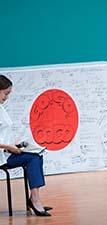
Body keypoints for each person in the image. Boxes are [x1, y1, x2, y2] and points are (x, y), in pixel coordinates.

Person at [0, 74, 52, 216]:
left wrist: (15, 143)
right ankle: (34, 200)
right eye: (6, 93)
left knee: (37, 154)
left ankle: (34, 199)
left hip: (5, 152)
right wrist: (9, 147)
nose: (7, 97)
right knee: (34, 158)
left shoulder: (1, 108)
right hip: (2, 156)